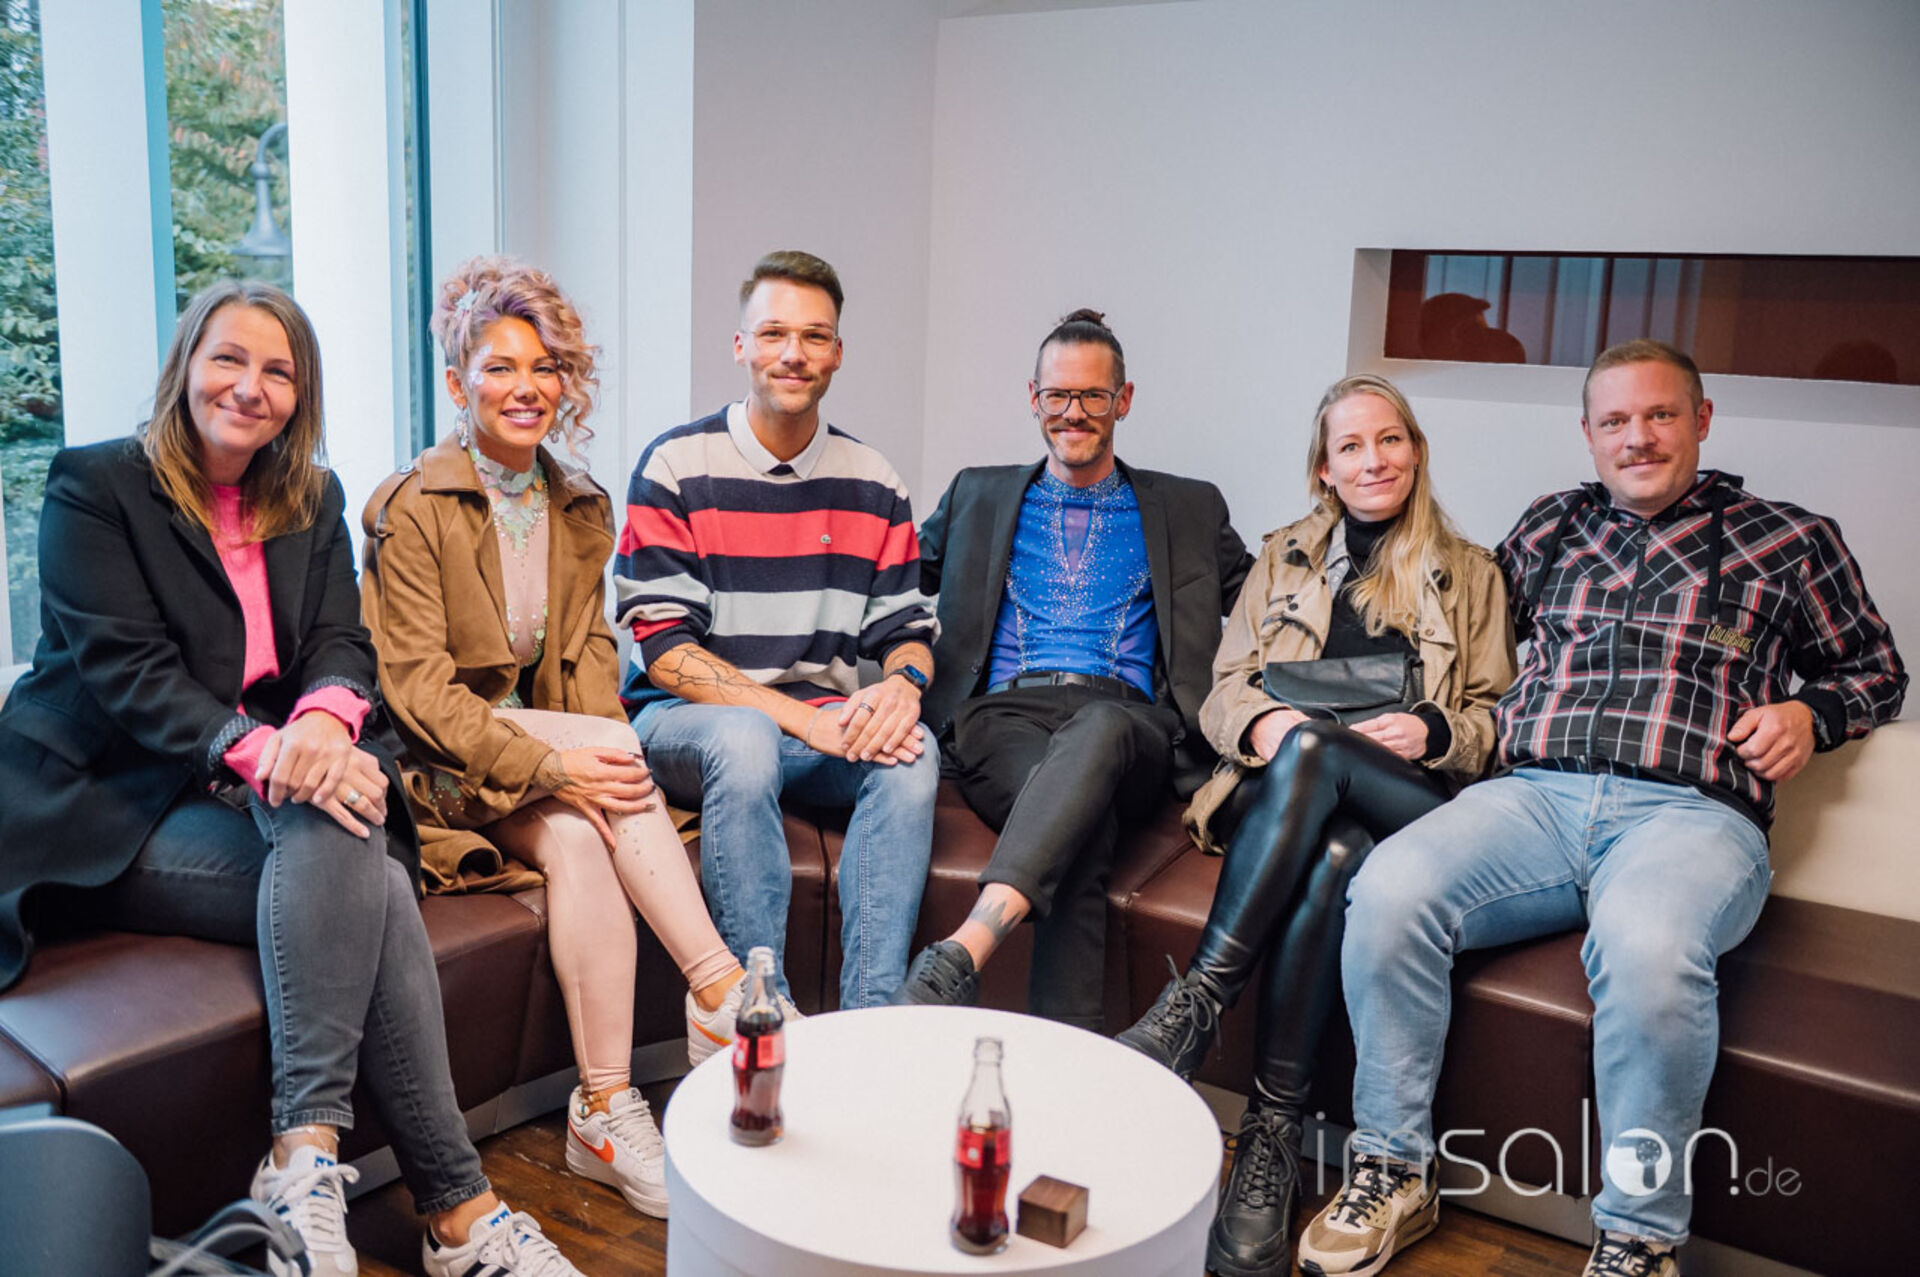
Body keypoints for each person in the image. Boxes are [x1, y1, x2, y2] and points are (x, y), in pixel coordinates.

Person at [0, 282, 584, 1277]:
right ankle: (458, 1208)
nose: (250, 387)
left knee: (343, 826)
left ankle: (305, 1158)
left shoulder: (310, 496)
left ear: (299, 395)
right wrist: (277, 751)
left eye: (278, 371)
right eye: (229, 359)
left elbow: (339, 644)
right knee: (363, 855)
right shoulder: (96, 484)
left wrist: (322, 718)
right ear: (186, 365)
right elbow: (129, 674)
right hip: (108, 801)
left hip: (243, 791)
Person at [1299, 340, 1908, 1277]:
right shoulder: (1551, 527)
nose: (1638, 437)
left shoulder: (1789, 539)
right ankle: (1393, 1167)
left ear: (1701, 419)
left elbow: (1876, 670)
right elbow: (1457, 633)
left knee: (1649, 949)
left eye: (1660, 415)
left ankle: (1639, 1235)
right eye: (1615, 420)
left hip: (1691, 816)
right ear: (1588, 433)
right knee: (1387, 890)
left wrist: (1809, 712)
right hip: (1533, 798)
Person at [361, 256, 749, 1220]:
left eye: (545, 367)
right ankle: (721, 988)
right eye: (500, 367)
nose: (526, 387)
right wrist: (561, 761)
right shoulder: (412, 507)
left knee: (581, 833)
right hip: (438, 768)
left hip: (532, 770)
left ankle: (603, 1110)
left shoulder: (578, 507)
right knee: (606, 764)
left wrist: (583, 778)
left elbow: (586, 671)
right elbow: (416, 693)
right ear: (458, 384)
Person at [1110, 374, 1515, 1275]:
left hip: (1414, 806)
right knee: (1334, 842)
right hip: (1292, 798)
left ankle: (1196, 1005)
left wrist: (1435, 730)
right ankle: (1271, 1130)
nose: (1373, 460)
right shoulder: (1284, 557)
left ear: (1415, 450)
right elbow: (1225, 689)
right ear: (1323, 469)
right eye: (1351, 447)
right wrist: (1260, 723)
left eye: (1390, 440)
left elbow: (1497, 720)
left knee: (1322, 757)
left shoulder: (1473, 572)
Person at [893, 309, 1253, 1029]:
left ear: (1123, 400)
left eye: (1092, 395)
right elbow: (889, 578)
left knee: (1102, 728)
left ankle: (965, 950)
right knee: (1080, 827)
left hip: (1133, 726)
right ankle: (1069, 1065)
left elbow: (1270, 602)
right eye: (1058, 395)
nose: (1074, 412)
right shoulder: (977, 494)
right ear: (1034, 398)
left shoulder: (1189, 506)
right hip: (1003, 719)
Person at [613, 250, 938, 1008]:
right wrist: (800, 720)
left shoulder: (874, 480)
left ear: (837, 354)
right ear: (741, 346)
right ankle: (762, 1010)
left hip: (814, 726)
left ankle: (872, 1019)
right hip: (687, 723)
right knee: (746, 737)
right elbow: (665, 653)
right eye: (773, 334)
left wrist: (903, 685)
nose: (793, 353)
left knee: (913, 754)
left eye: (814, 336)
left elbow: (907, 629)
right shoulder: (675, 466)